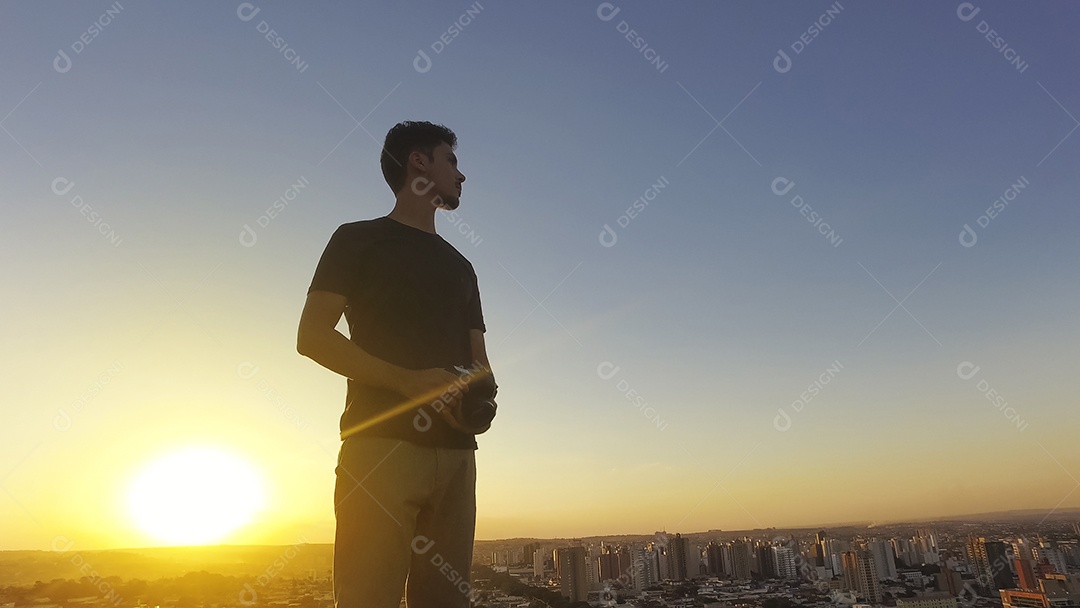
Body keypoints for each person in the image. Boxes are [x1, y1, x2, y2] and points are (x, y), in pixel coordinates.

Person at [297, 121, 491, 607]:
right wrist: (408, 383)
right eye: (451, 160)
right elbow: (312, 337)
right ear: (418, 163)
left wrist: (478, 402)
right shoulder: (357, 240)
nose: (462, 175)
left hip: (457, 457)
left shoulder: (462, 267)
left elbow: (481, 365)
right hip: (379, 449)